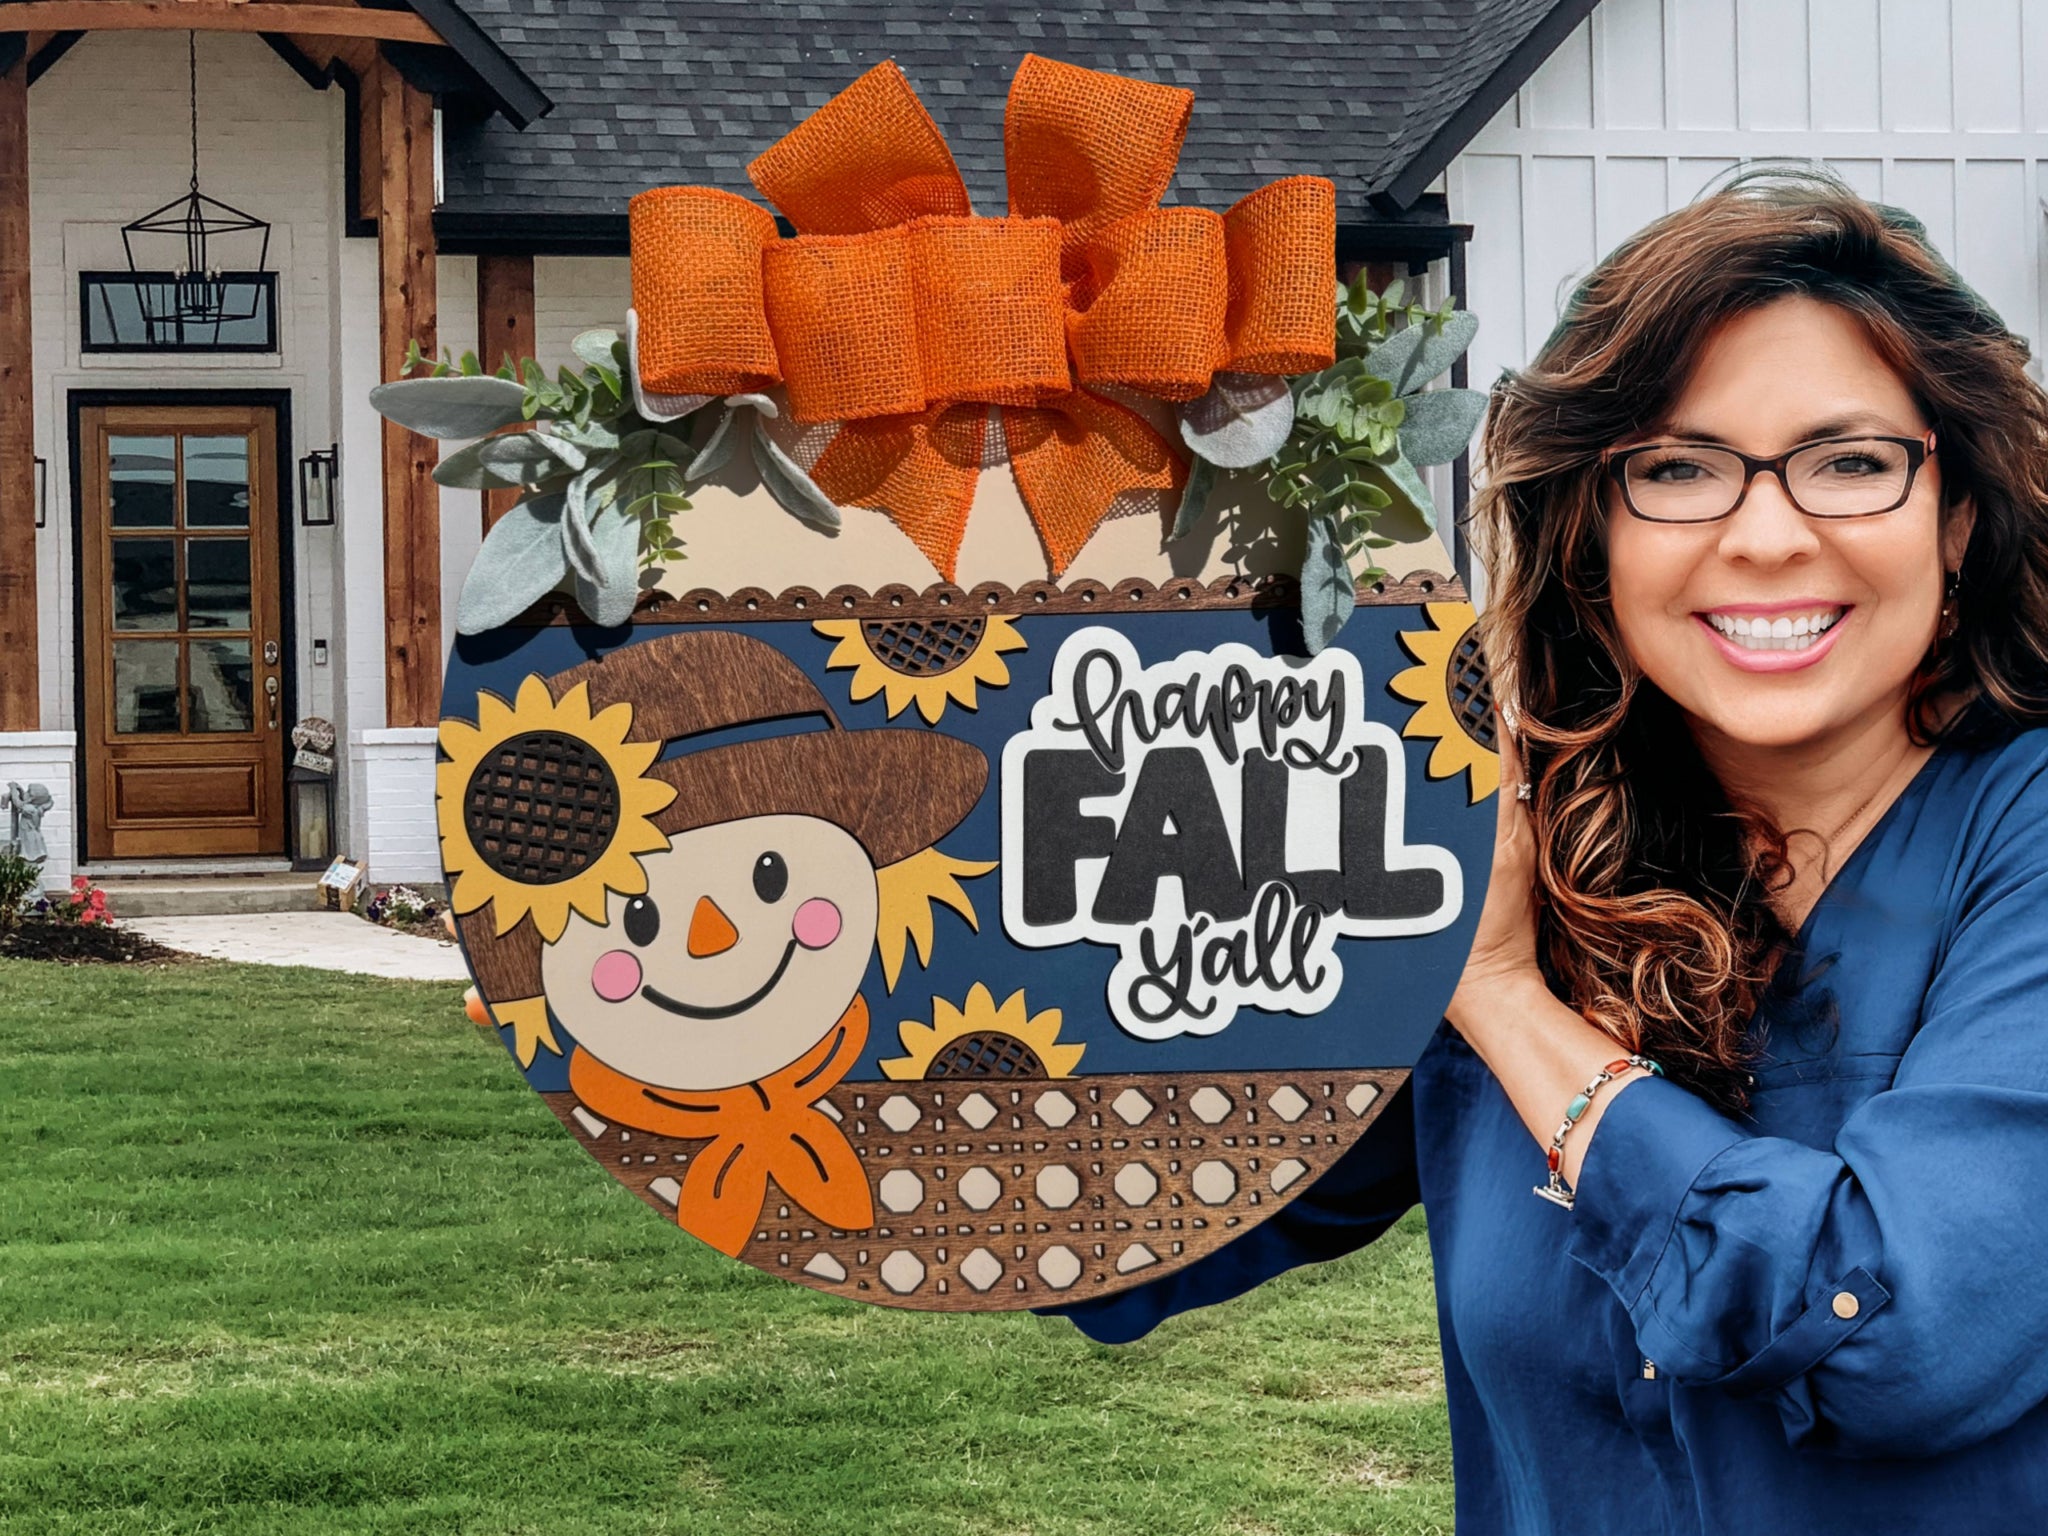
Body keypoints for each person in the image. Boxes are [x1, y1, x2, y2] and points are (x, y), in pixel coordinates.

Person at [1048, 168, 2048, 1532]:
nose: (1765, 536)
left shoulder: (2018, 843)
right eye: (1679, 469)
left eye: (1851, 462)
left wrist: (1508, 1001)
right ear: (1594, 535)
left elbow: (1895, 1335)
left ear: (1960, 515)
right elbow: (1126, 1236)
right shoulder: (1525, 842)